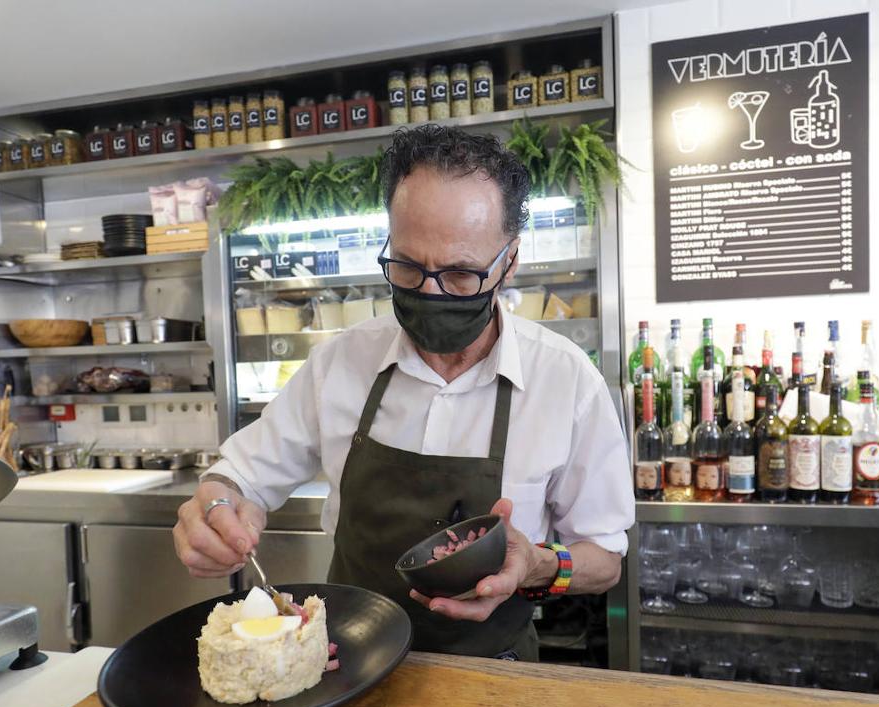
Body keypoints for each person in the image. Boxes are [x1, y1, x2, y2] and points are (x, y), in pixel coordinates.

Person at [174, 124, 634, 660]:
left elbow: (605, 560)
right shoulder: (340, 362)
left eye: (461, 274)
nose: (431, 293)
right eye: (409, 269)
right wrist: (218, 505)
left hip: (496, 675)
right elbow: (240, 477)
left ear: (509, 261)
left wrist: (537, 564)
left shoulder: (566, 380)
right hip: (347, 664)